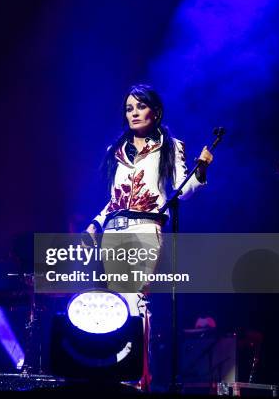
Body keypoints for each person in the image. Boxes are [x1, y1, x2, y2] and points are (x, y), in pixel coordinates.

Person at [85, 84, 214, 389]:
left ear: (155, 112)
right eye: (129, 108)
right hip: (114, 231)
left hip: (146, 227)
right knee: (118, 302)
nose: (134, 113)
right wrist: (96, 222)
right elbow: (116, 199)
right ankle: (123, 373)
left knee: (135, 300)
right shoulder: (115, 151)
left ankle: (137, 378)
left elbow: (183, 191)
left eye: (140, 107)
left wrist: (202, 168)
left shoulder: (171, 146)